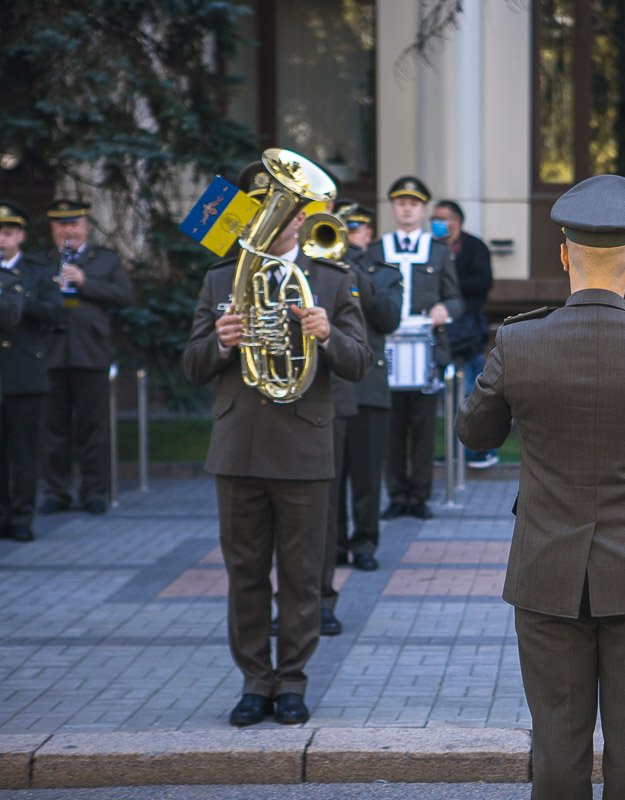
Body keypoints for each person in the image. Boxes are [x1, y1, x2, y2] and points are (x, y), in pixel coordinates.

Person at [457, 174, 625, 800]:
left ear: (563, 255)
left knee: (557, 747)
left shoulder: (519, 340)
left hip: (546, 568)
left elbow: (474, 433)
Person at [181, 160, 370, 726]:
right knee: (244, 574)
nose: (271, 219)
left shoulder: (331, 278)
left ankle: (291, 680)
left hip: (303, 450)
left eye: (281, 210)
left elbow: (359, 361)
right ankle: (254, 681)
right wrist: (219, 344)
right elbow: (191, 366)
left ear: (300, 219)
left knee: (301, 575)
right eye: (262, 209)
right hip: (238, 448)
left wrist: (327, 334)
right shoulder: (221, 278)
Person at [371, 177, 463, 524]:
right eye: (401, 203)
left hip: (426, 350)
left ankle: (420, 496)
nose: (407, 209)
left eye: (413, 203)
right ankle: (397, 495)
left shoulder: (437, 251)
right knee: (391, 429)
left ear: (423, 209)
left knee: (424, 429)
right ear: (393, 208)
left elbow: (456, 300)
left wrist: (444, 309)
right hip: (387, 349)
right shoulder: (377, 250)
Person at [39, 199, 133, 516]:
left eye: (74, 224)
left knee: (93, 429)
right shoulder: (41, 261)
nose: (68, 231)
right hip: (50, 354)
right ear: (52, 228)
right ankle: (56, 492)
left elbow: (124, 296)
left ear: (85, 226)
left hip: (91, 353)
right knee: (53, 431)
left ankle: (94, 492)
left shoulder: (105, 260)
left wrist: (85, 282)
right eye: (61, 224)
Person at [337, 203, 403, 574]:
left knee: (366, 475)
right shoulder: (319, 268)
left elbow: (388, 318)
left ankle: (364, 542)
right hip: (331, 383)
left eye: (356, 230)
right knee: (330, 476)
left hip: (368, 385)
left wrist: (357, 274)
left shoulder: (385, 273)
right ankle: (333, 545)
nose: (350, 238)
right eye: (344, 230)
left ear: (368, 234)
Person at [0, 202, 62, 542]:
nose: (1, 240)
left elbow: (56, 315)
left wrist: (19, 298)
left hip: (25, 372)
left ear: (20, 236)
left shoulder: (38, 271)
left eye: (7, 233)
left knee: (23, 452)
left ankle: (22, 516)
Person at [432, 199, 497, 469]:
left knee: (473, 393)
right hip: (440, 332)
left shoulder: (474, 248)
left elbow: (483, 282)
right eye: (434, 219)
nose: (436, 223)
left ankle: (479, 451)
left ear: (455, 222)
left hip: (468, 332)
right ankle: (452, 451)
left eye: (441, 218)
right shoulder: (431, 248)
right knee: (445, 396)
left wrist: (449, 283)